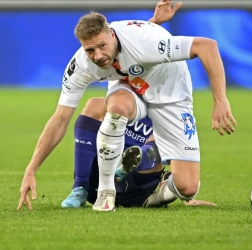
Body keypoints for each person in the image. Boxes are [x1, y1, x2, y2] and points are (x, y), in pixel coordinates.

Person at [18, 0, 237, 212]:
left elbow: (207, 46)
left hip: (172, 96)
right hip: (132, 91)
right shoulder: (82, 65)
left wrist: (220, 100)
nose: (98, 56)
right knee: (117, 106)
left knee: (187, 187)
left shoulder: (146, 43)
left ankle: (159, 187)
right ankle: (106, 192)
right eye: (90, 50)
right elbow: (60, 120)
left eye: (102, 46)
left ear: (112, 34)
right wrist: (31, 169)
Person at [61, 96, 215, 208]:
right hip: (97, 183)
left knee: (166, 133)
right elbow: (59, 120)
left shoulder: (168, 110)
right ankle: (80, 188)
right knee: (95, 103)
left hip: (135, 188)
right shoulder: (119, 98)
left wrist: (187, 194)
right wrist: (34, 167)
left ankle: (136, 166)